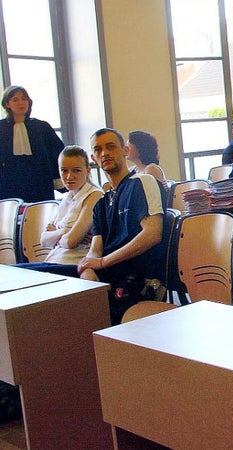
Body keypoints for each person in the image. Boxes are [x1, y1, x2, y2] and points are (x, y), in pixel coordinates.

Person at [79, 128, 168, 325]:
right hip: (104, 276)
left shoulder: (142, 182)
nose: (104, 153)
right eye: (98, 150)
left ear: (125, 150)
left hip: (134, 280)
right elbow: (95, 249)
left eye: (110, 147)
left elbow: (153, 233)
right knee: (37, 276)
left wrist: (102, 263)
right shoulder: (101, 204)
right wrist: (88, 270)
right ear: (93, 158)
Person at [14, 146, 104, 274]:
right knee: (10, 270)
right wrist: (65, 231)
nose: (69, 176)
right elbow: (44, 240)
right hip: (54, 260)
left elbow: (71, 242)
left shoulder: (94, 195)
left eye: (76, 170)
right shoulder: (66, 197)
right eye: (64, 171)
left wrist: (57, 234)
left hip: (74, 263)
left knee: (16, 273)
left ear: (88, 171)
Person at [0, 85, 64, 202]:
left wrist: (59, 178)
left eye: (24, 99)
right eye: (15, 99)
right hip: (8, 183)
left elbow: (57, 153)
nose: (21, 103)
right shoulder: (1, 128)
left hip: (39, 181)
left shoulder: (42, 127)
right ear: (7, 104)